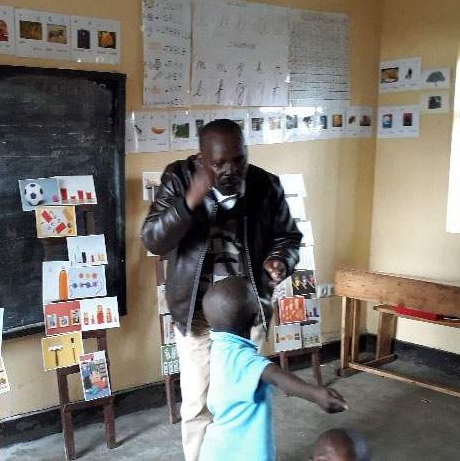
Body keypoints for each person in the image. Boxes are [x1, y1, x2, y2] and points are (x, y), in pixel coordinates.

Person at [141, 119, 302, 461]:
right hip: (196, 314)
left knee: (242, 399)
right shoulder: (178, 177)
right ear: (201, 159)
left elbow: (288, 238)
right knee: (199, 403)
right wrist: (188, 202)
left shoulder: (265, 185)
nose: (231, 170)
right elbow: (154, 240)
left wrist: (279, 261)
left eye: (238, 160)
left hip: (246, 315)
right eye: (218, 163)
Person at [199, 276, 348, 461]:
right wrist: (316, 394)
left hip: (215, 448)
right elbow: (275, 375)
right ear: (255, 318)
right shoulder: (243, 359)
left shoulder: (219, 346)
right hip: (242, 454)